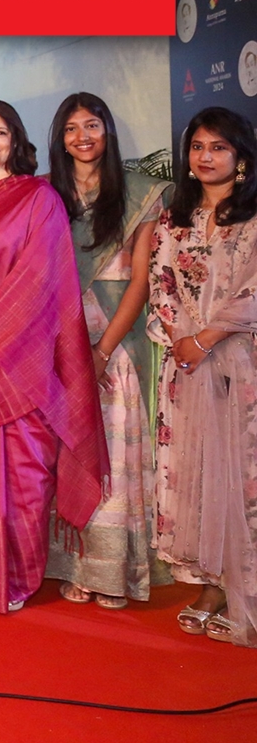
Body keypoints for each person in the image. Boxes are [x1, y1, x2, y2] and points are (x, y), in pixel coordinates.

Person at [0, 99, 106, 614]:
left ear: (16, 139)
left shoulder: (39, 197)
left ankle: (15, 574)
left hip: (20, 351)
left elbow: (43, 278)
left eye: (0, 133)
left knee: (26, 467)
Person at [43, 93, 171, 610]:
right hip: (59, 339)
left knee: (114, 457)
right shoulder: (47, 197)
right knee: (67, 449)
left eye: (91, 125)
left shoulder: (139, 194)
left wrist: (101, 350)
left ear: (108, 132)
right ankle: (76, 567)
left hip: (115, 344)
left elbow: (141, 280)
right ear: (60, 139)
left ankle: (112, 573)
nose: (82, 136)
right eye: (71, 128)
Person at [148, 106, 257, 647]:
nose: (206, 156)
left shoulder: (254, 216)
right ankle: (210, 584)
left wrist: (206, 338)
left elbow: (253, 292)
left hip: (242, 364)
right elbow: (161, 280)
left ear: (240, 157)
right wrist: (179, 339)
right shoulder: (175, 218)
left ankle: (244, 582)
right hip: (185, 366)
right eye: (197, 147)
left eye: (218, 147)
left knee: (241, 472)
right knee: (195, 472)